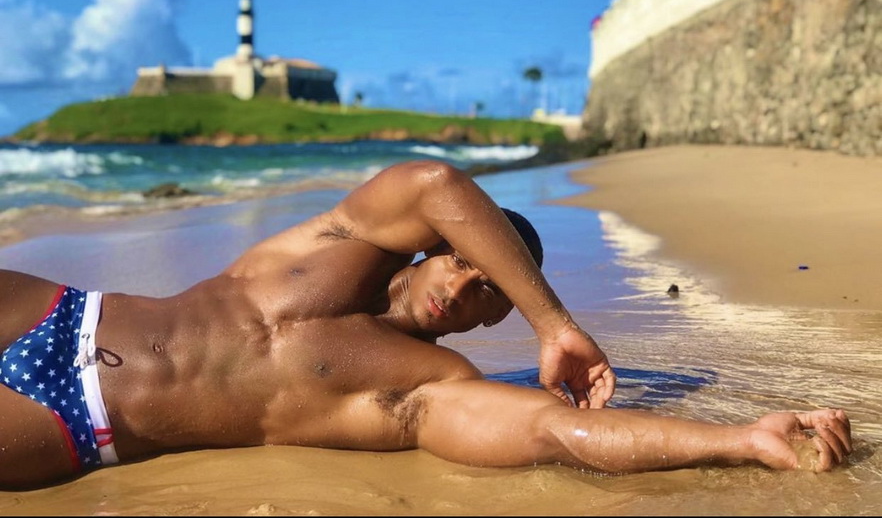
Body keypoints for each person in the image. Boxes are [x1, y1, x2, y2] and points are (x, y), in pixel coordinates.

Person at [0, 160, 851, 490]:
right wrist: (553, 322)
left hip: (80, 420)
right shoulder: (337, 243)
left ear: (490, 320)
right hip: (62, 307)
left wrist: (741, 438)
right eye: (464, 261)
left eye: (490, 294)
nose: (465, 285)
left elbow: (553, 430)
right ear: (433, 247)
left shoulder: (426, 387)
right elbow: (438, 185)